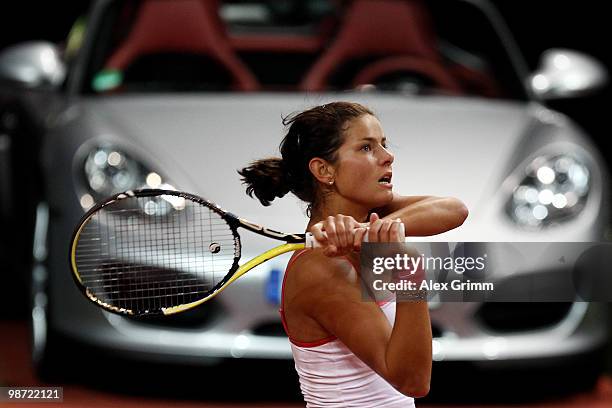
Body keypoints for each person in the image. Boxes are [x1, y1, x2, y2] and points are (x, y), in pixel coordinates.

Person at [238, 101, 468, 407]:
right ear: (324, 170)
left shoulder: (370, 217)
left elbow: (454, 209)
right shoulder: (321, 269)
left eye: (384, 145)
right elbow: (412, 380)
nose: (388, 157)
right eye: (366, 148)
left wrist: (367, 232)